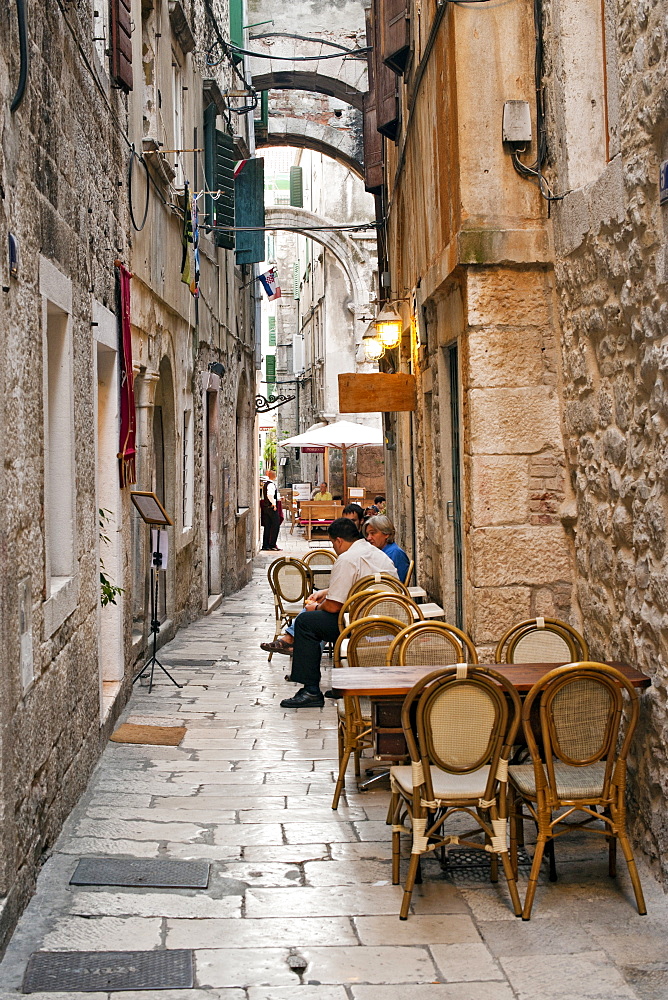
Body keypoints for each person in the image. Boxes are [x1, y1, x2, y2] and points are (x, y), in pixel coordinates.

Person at [277, 517, 399, 707]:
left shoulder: (347, 558)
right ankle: (340, 681)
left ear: (339, 541)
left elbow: (334, 606)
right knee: (317, 619)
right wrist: (325, 593)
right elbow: (356, 585)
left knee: (306, 622)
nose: (334, 548)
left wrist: (315, 607)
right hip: (389, 618)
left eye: (333, 544)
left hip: (362, 624)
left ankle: (310, 691)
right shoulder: (374, 553)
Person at [364, 514, 410, 583]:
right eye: (367, 534)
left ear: (386, 534)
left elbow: (396, 584)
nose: (369, 538)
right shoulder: (379, 551)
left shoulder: (395, 553)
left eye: (373, 533)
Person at [260, 470, 282, 551]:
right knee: (275, 525)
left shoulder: (266, 484)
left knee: (267, 526)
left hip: (266, 508)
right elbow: (270, 495)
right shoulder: (271, 485)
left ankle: (265, 545)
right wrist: (274, 504)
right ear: (274, 476)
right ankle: (272, 544)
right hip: (271, 508)